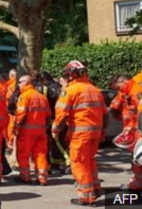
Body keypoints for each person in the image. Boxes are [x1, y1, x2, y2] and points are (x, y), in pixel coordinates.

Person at [52, 60, 109, 207]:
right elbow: (105, 114)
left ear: (71, 74)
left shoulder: (71, 90)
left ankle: (86, 197)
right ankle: (95, 189)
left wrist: (56, 129)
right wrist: (103, 132)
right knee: (89, 162)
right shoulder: (95, 90)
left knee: (79, 164)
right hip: (94, 135)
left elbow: (61, 114)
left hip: (80, 135)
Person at [14, 74, 51, 185]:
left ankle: (25, 177)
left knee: (23, 154)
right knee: (40, 154)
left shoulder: (24, 96)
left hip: (26, 132)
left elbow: (21, 115)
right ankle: (42, 178)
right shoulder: (42, 97)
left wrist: (16, 129)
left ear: (27, 83)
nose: (19, 84)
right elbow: (49, 116)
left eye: (20, 82)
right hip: (41, 132)